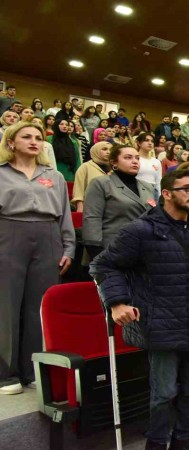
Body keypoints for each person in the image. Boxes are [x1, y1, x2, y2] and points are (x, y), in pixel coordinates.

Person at [90, 169, 189, 450]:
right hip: (161, 322)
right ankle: (156, 442)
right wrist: (117, 303)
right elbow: (103, 265)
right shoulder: (140, 230)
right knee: (164, 392)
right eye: (187, 189)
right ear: (166, 194)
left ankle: (183, 439)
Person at [0, 122, 75, 395]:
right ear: (11, 142)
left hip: (48, 236)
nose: (35, 141)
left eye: (38, 137)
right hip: (9, 233)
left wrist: (69, 247)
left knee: (38, 307)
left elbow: (65, 214)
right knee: (6, 307)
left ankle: (32, 369)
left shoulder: (54, 176)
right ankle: (5, 374)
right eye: (27, 137)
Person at [83, 144, 155, 259]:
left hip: (144, 249)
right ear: (114, 163)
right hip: (112, 248)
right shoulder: (101, 183)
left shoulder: (148, 186)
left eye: (137, 158)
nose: (135, 161)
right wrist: (95, 250)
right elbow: (92, 218)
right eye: (128, 157)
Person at [71, 141, 112, 212]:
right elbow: (79, 190)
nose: (108, 152)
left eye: (111, 150)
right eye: (104, 149)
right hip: (91, 208)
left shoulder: (115, 168)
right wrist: (80, 208)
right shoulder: (85, 167)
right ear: (96, 150)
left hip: (111, 209)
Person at [135, 132, 161, 196]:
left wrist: (159, 195)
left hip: (153, 191)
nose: (150, 143)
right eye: (146, 140)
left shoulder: (156, 162)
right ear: (139, 143)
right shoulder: (134, 159)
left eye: (152, 141)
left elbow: (158, 181)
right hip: (137, 190)